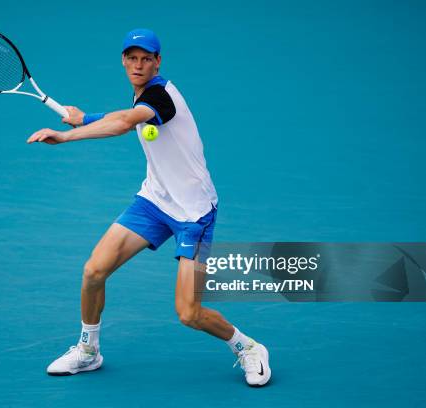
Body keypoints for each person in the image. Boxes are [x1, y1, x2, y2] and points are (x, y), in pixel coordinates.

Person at [26, 28, 271, 387]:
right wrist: (85, 118)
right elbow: (125, 115)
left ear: (157, 63)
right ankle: (88, 351)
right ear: (124, 61)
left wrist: (66, 135)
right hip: (155, 201)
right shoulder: (143, 95)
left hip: (193, 214)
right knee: (94, 271)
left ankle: (248, 347)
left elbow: (124, 123)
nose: (138, 64)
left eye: (146, 59)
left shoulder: (162, 95)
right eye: (132, 58)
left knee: (189, 313)